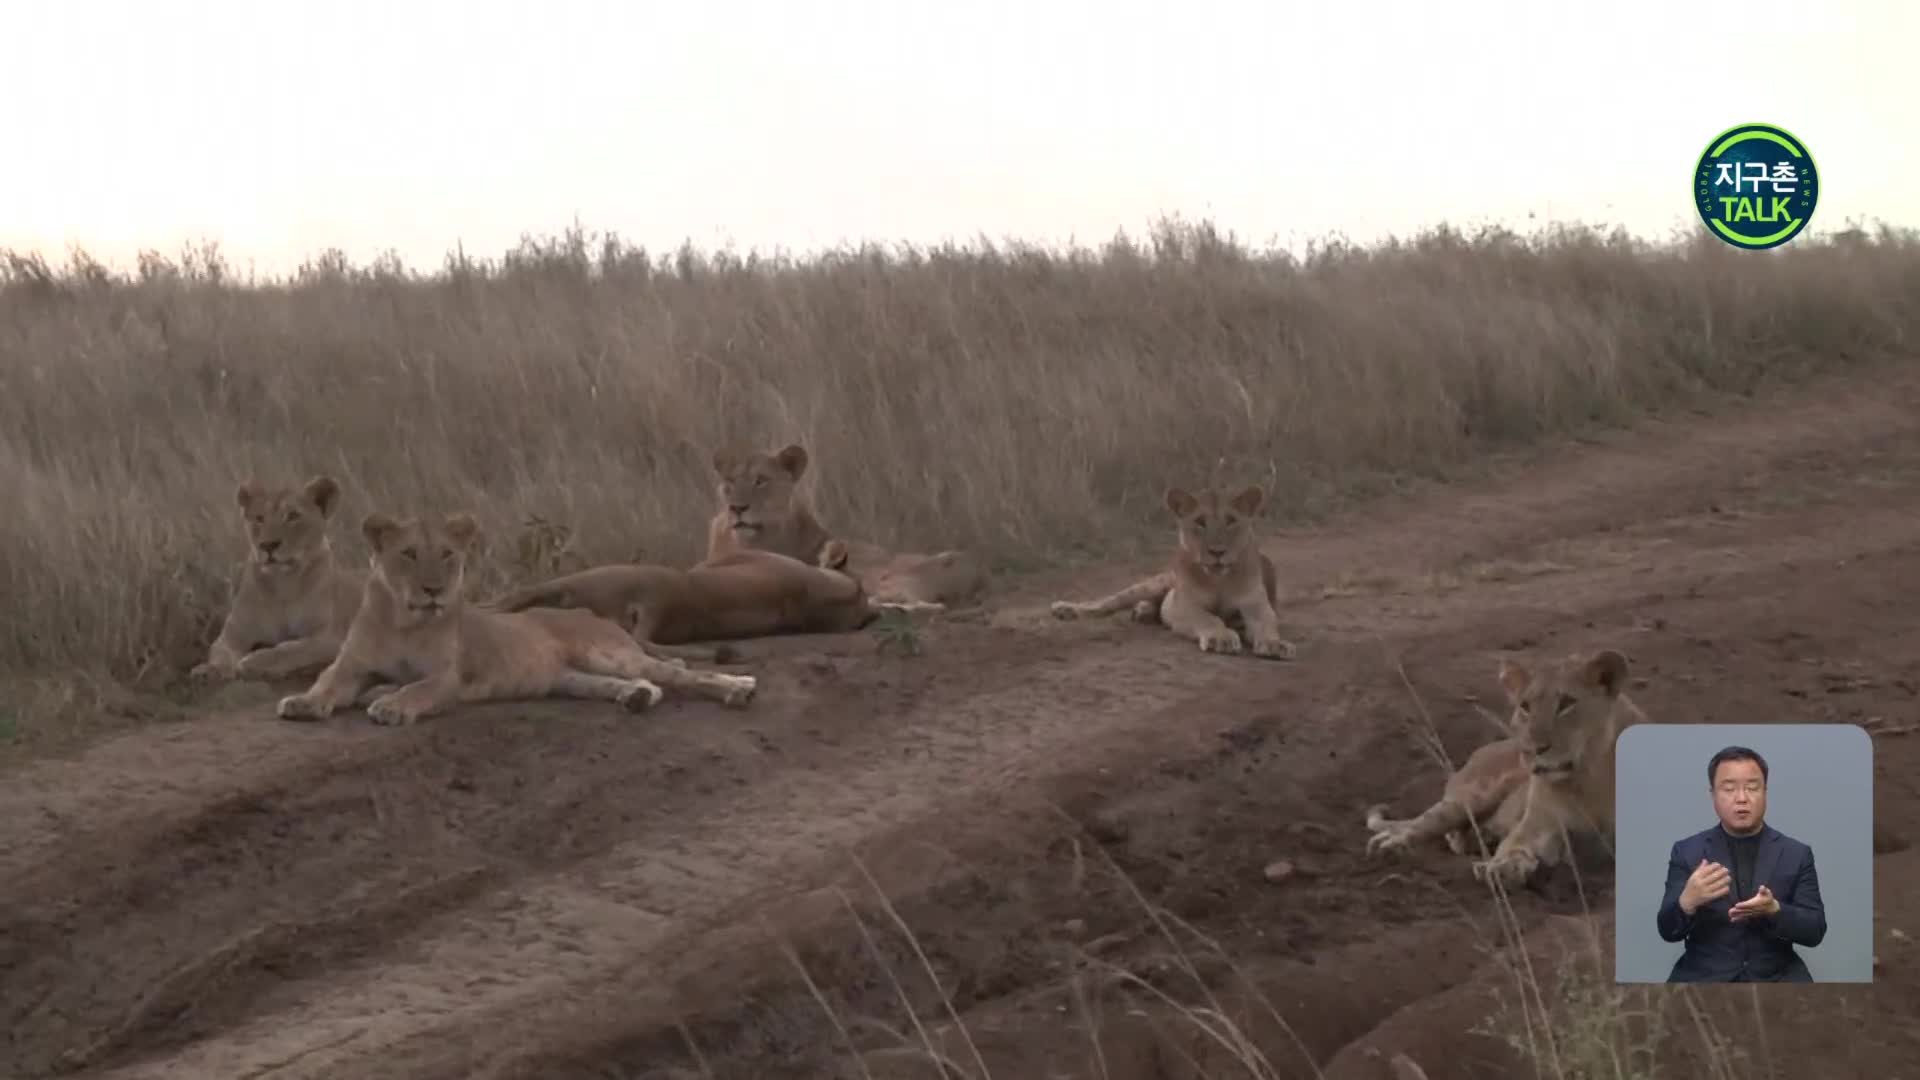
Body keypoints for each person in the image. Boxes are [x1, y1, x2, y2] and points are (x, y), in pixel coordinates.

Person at [1655, 745, 1827, 982]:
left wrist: (1775, 911)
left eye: (1752, 787)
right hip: (1703, 978)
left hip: (1778, 978)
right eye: (1729, 788)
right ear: (1712, 794)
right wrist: (1687, 901)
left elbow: (1815, 931)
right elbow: (1667, 930)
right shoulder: (1686, 851)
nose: (1742, 798)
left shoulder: (1796, 853)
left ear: (1765, 792)